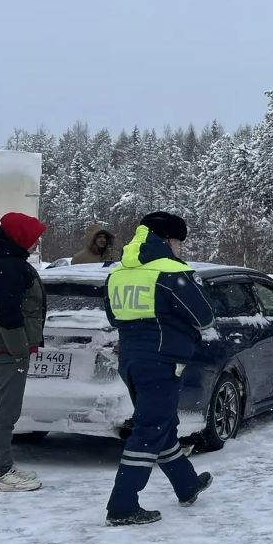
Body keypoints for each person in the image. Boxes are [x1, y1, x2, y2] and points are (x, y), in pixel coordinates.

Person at [102, 211, 214, 526]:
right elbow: (204, 317)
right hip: (163, 361)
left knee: (162, 423)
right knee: (150, 429)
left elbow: (113, 317)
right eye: (178, 241)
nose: (180, 248)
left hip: (131, 360)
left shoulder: (118, 273)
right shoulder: (171, 272)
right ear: (167, 240)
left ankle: (186, 484)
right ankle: (123, 505)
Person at [0, 212, 48, 491]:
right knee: (5, 411)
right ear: (20, 237)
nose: (37, 243)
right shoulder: (7, 264)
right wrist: (19, 349)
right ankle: (1, 472)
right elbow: (8, 314)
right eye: (34, 238)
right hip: (7, 347)